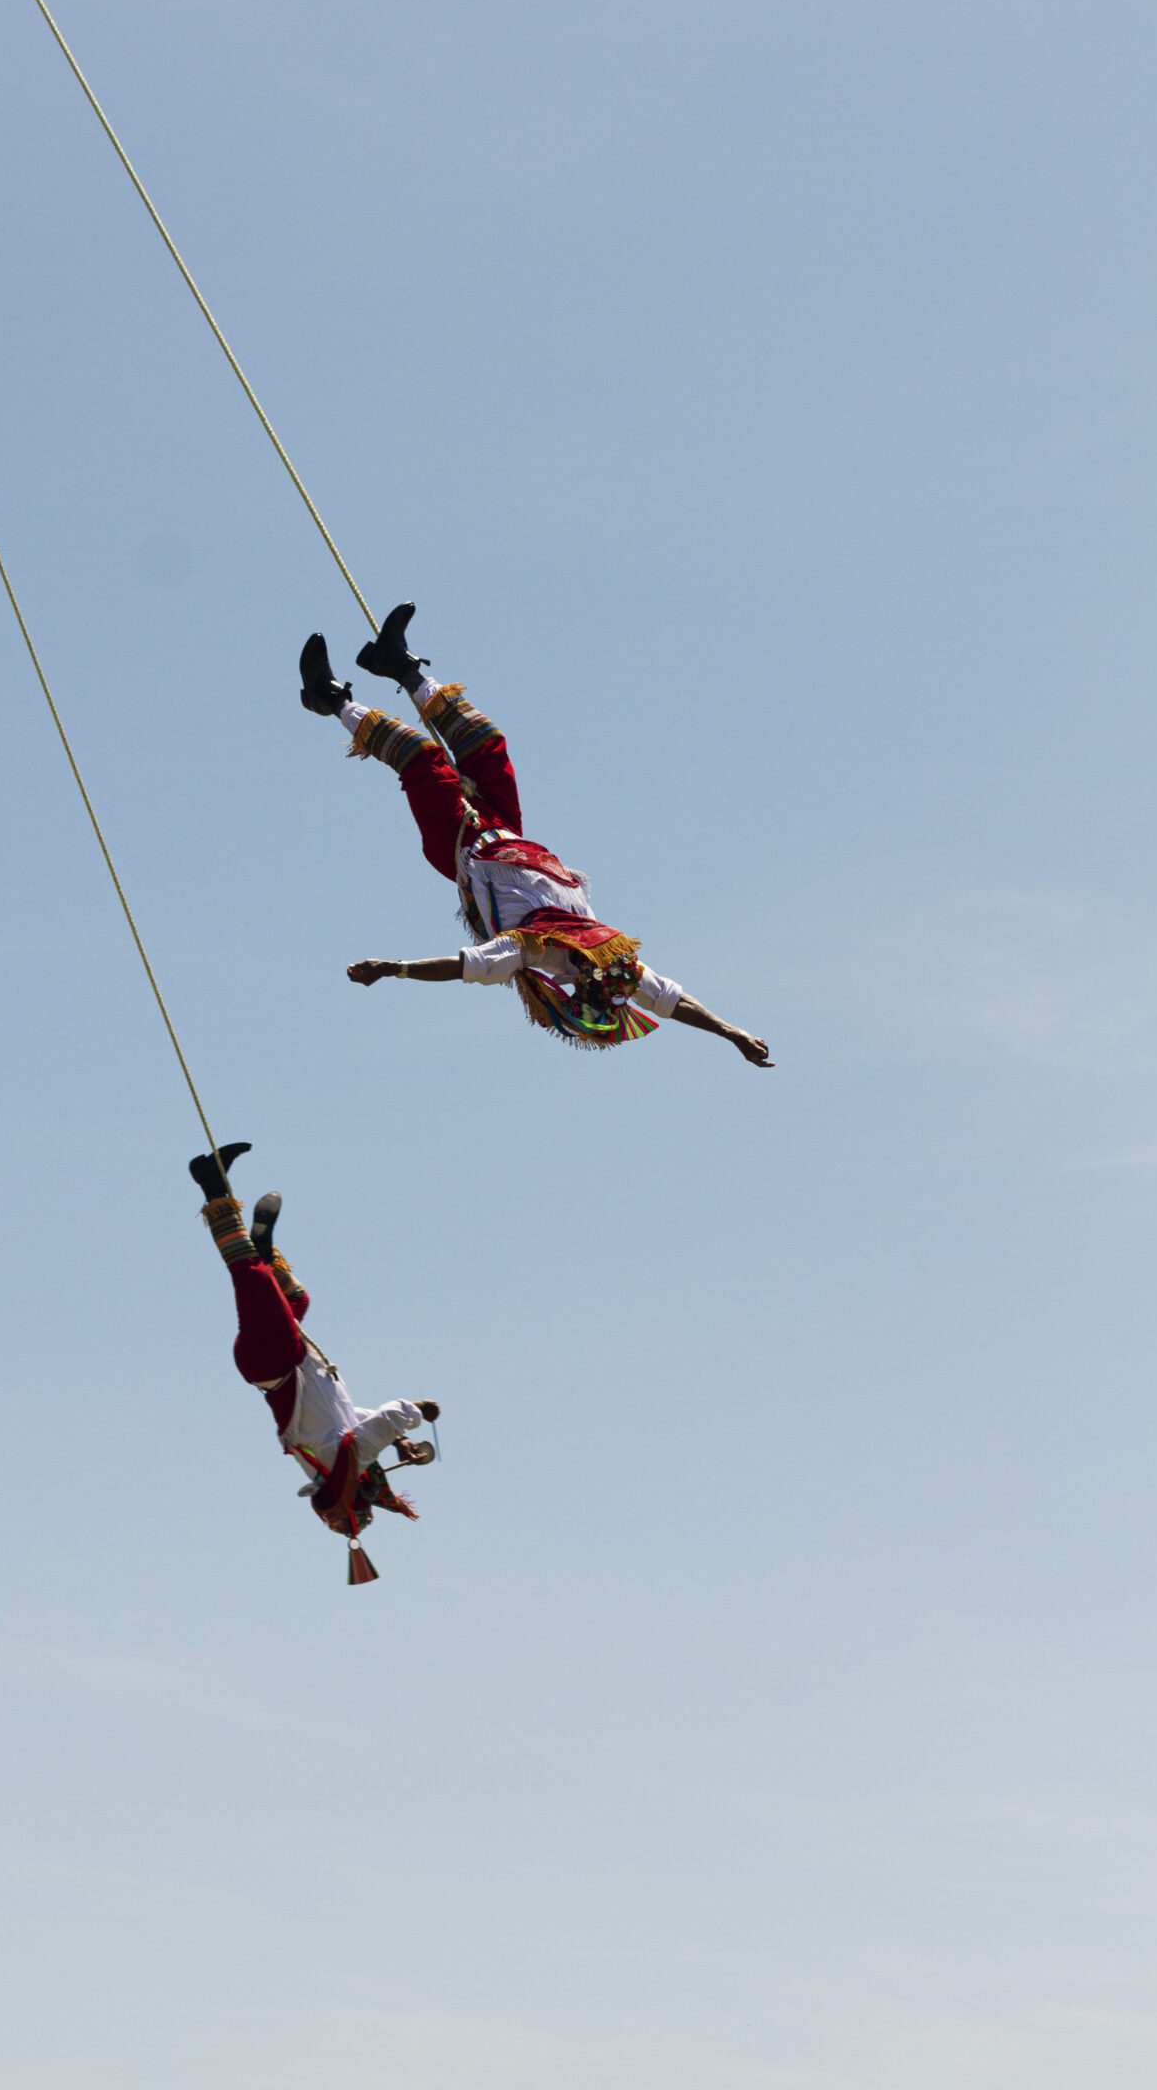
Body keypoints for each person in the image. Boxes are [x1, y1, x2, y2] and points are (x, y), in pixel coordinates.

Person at [300, 604, 772, 1065]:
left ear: (586, 980)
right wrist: (732, 1032)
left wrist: (393, 969)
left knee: (424, 760)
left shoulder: (532, 949)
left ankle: (331, 699)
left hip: (460, 846)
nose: (616, 964)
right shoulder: (611, 954)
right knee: (486, 744)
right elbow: (670, 1001)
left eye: (604, 975)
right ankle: (399, 665)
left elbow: (464, 966)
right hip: (506, 830)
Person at [189, 1141, 437, 1582]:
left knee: (251, 1274)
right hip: (279, 1361)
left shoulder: (350, 1458)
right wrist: (400, 1440)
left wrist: (416, 1413)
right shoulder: (329, 1458)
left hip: (278, 1361)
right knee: (296, 1298)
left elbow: (383, 1422)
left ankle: (211, 1186)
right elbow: (357, 1418)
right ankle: (260, 1247)